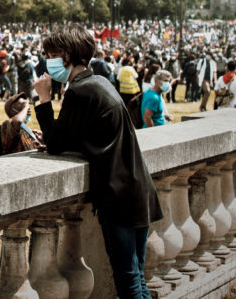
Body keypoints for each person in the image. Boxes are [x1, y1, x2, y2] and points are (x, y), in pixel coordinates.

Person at [33, 24, 161, 299]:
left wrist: (44, 99)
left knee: (128, 283)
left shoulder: (80, 91)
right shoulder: (99, 82)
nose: (48, 61)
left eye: (51, 54)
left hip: (120, 197)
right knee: (138, 279)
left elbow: (55, 144)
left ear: (66, 56)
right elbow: (84, 134)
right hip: (137, 189)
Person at [0, 94, 44, 158]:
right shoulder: (6, 127)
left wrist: (42, 140)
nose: (28, 109)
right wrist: (26, 107)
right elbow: (18, 121)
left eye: (27, 105)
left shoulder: (25, 130)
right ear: (12, 110)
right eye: (23, 105)